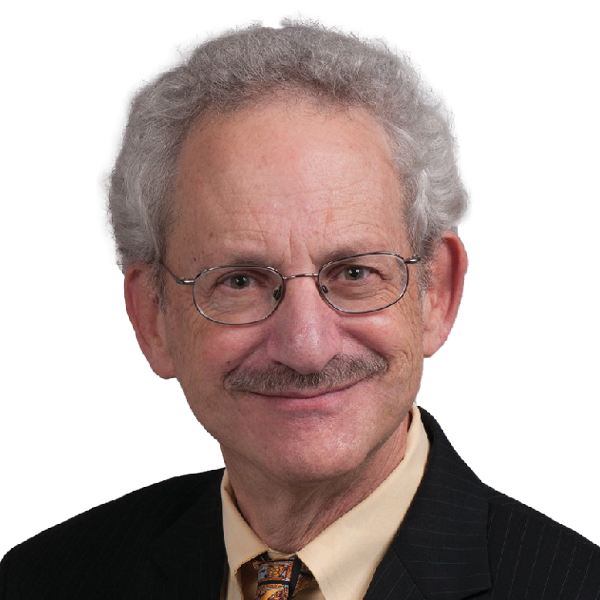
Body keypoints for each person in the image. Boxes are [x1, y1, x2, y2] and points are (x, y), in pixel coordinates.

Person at [1, 10, 599, 599]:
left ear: (436, 292)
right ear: (152, 316)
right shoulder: (42, 580)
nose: (306, 348)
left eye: (355, 273)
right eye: (240, 281)